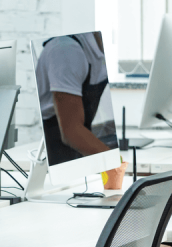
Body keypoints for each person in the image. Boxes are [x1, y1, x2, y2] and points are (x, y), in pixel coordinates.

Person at [36, 32, 120, 188]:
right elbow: (71, 132)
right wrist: (115, 167)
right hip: (58, 152)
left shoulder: (101, 48)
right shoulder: (66, 50)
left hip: (81, 147)